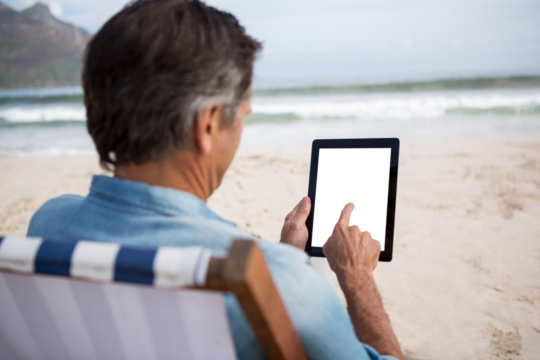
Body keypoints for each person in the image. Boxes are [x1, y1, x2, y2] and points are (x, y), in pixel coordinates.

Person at [27, 1, 404, 359]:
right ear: (207, 126)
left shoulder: (47, 224)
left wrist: (283, 257)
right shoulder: (286, 281)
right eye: (243, 115)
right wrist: (356, 279)